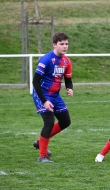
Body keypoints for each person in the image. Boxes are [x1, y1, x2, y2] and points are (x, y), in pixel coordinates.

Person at [32, 32, 73, 162]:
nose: (65, 46)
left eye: (66, 44)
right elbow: (35, 81)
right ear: (54, 45)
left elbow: (68, 79)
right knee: (49, 122)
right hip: (42, 94)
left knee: (65, 121)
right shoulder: (46, 60)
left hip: (55, 95)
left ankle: (40, 142)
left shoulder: (66, 61)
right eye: (61, 44)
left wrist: (69, 88)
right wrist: (44, 101)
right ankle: (42, 156)